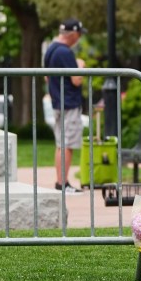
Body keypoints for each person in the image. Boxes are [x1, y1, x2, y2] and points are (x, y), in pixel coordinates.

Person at [44, 18, 87, 194]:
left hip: (58, 102)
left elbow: (47, 77)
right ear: (74, 34)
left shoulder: (50, 49)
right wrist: (81, 66)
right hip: (69, 103)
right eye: (79, 35)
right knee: (67, 144)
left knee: (61, 143)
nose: (79, 38)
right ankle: (63, 184)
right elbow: (76, 80)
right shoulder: (65, 52)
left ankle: (60, 182)